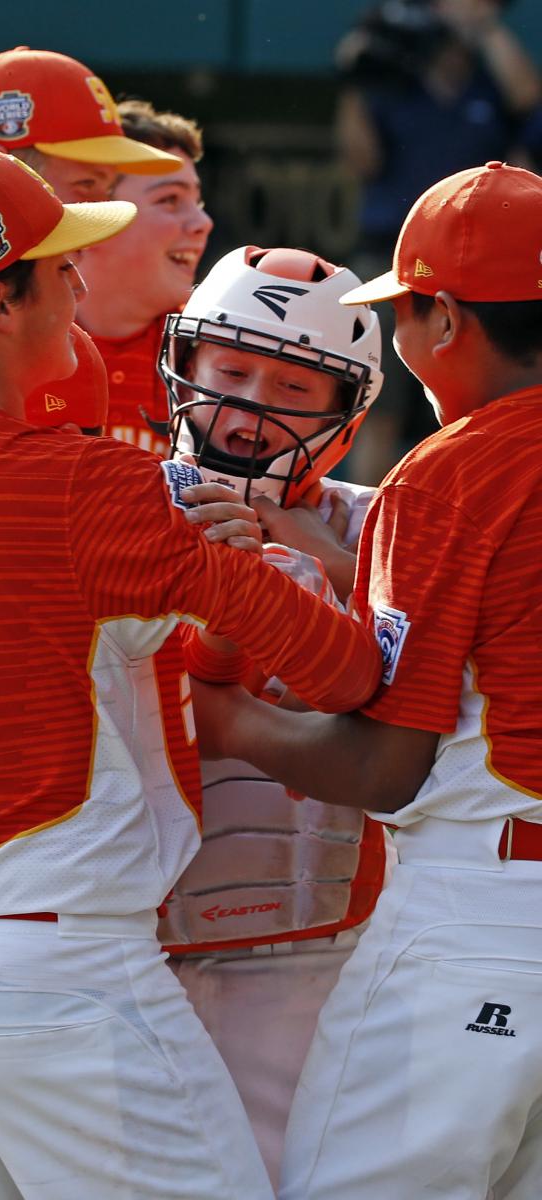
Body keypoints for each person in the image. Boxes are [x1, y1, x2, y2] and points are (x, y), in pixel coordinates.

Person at [0, 145, 384, 1200]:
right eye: (59, 267)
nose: (79, 285)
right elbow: (337, 666)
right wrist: (271, 568)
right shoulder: (96, 482)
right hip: (58, 966)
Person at [192, 161, 542, 1199]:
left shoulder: (449, 470)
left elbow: (387, 765)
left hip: (483, 905)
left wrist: (224, 718)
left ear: (443, 319)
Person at [149, 243, 389, 1184]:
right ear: (187, 365)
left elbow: (446, 668)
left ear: (345, 415)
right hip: (126, 945)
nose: (252, 407)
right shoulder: (108, 497)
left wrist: (315, 557)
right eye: (234, 371)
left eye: (293, 386)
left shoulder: (384, 526)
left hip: (310, 946)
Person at [334, 0, 542, 480]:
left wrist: (483, 27)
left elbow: (529, 99)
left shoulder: (491, 78)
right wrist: (356, 80)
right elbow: (360, 158)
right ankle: (374, 503)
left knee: (494, 395)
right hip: (400, 258)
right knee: (381, 405)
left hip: (486, 267)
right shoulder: (393, 73)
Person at [76, 98, 213, 453]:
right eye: (170, 199)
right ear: (93, 212)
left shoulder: (215, 350)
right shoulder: (13, 344)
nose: (203, 223)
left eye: (196, 202)